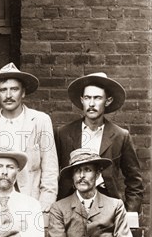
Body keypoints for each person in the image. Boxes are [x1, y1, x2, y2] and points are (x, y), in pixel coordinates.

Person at [0, 62, 59, 212]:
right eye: (3, 90)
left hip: (30, 201)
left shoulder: (40, 121)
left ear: (23, 93)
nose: (9, 95)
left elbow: (50, 167)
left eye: (14, 89)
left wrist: (45, 203)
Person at [56, 72, 143, 213]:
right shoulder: (64, 133)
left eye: (97, 98)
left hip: (108, 204)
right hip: (71, 204)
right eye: (87, 98)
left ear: (107, 101)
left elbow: (134, 181)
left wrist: (130, 213)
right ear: (81, 100)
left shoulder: (120, 136)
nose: (91, 104)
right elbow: (53, 173)